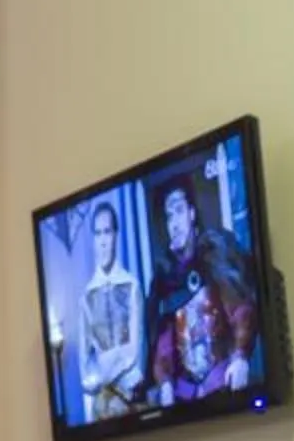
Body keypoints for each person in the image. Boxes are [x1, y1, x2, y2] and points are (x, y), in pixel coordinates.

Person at [143, 172, 258, 401]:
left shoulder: (215, 255)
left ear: (192, 213)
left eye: (178, 211)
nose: (174, 224)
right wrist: (164, 382)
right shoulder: (166, 281)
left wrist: (239, 357)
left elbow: (241, 313)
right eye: (168, 216)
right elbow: (164, 345)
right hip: (187, 398)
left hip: (223, 384)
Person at [74, 202, 145, 419]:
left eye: (107, 232)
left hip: (131, 395)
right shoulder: (86, 295)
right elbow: (84, 362)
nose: (103, 241)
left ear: (115, 235)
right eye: (97, 234)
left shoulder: (132, 285)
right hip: (101, 404)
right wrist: (100, 380)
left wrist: (106, 368)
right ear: (93, 240)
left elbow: (135, 351)